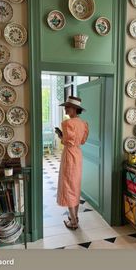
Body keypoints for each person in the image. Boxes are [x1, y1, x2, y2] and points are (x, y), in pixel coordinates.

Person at [56, 96, 89, 230]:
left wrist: (60, 136)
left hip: (69, 155)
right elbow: (82, 141)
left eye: (67, 107)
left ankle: (74, 221)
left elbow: (67, 141)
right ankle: (74, 216)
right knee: (75, 185)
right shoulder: (83, 124)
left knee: (69, 186)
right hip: (78, 154)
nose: (65, 108)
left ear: (75, 109)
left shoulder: (67, 124)